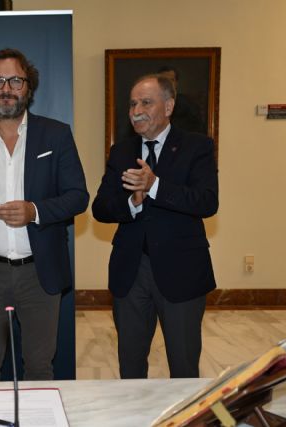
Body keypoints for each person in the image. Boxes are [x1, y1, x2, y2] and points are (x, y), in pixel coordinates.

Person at [0, 48, 89, 381]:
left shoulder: (56, 134)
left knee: (39, 366)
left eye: (15, 80)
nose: (6, 88)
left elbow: (78, 197)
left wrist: (34, 211)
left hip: (40, 272)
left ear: (28, 87)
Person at [92, 74, 218, 379]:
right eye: (132, 104)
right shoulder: (121, 151)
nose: (136, 111)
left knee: (184, 367)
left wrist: (155, 186)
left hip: (182, 273)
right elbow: (100, 208)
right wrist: (132, 203)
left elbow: (206, 202)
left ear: (169, 106)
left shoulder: (197, 146)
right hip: (131, 272)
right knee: (131, 366)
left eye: (146, 102)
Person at [157, 66, 206, 135]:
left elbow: (198, 130)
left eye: (171, 80)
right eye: (165, 80)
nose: (168, 83)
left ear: (176, 83)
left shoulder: (189, 104)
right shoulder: (150, 103)